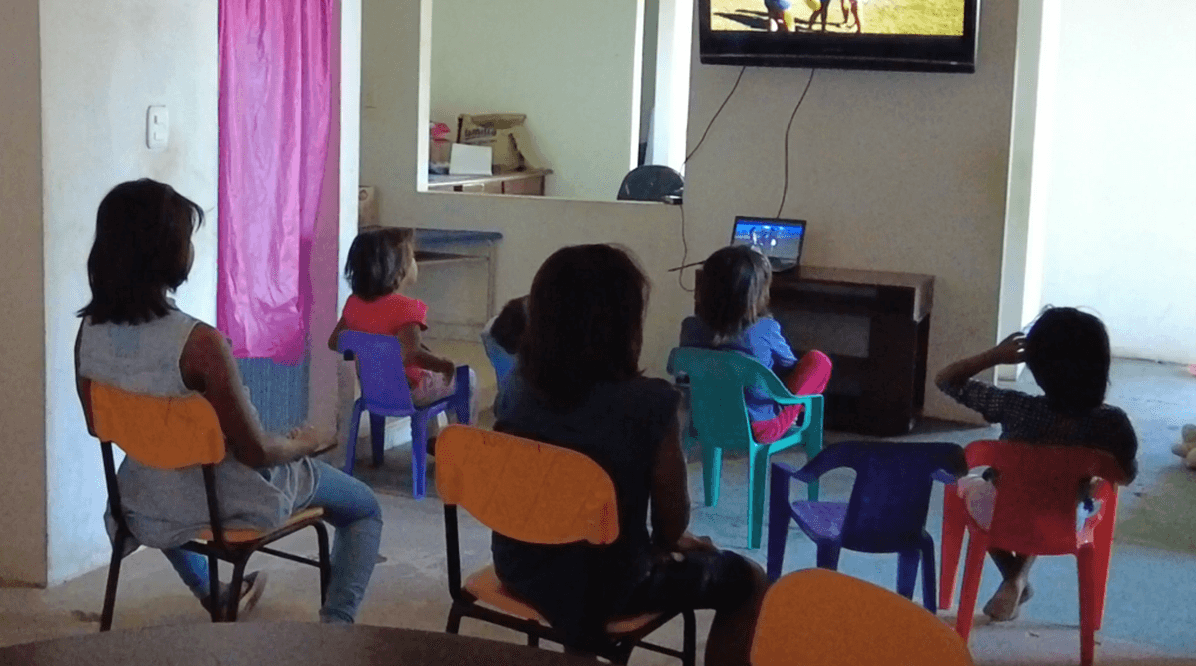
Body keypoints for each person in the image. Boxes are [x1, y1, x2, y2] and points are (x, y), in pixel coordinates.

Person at [75, 179, 381, 624]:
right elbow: (256, 454)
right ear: (166, 252)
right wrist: (306, 443)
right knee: (363, 509)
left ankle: (215, 593)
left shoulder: (88, 335)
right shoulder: (199, 343)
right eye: (187, 237)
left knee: (160, 489)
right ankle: (336, 624)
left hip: (142, 499)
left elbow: (96, 425)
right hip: (226, 501)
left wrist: (164, 441)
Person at [493, 244, 769, 665]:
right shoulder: (650, 405)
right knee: (749, 579)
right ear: (625, 322)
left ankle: (578, 646)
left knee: (581, 558)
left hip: (520, 564)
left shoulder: (515, 390)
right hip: (613, 587)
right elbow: (671, 523)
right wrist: (672, 543)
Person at [935, 307, 1138, 622]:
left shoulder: (1014, 406)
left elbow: (946, 380)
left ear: (1036, 365)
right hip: (1068, 518)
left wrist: (994, 355)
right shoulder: (1112, 423)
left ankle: (1013, 576)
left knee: (970, 488)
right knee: (1070, 492)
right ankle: (1017, 579)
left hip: (1005, 513)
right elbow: (1125, 475)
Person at [327, 227, 476, 442]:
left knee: (431, 378)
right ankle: (461, 442)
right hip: (409, 391)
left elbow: (336, 343)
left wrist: (366, 351)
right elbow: (412, 354)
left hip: (372, 391)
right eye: (412, 257)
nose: (415, 262)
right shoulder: (408, 309)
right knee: (466, 378)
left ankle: (430, 439)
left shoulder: (353, 305)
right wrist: (443, 364)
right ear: (398, 270)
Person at [679, 245, 831, 444]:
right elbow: (789, 366)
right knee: (818, 361)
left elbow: (682, 373)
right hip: (758, 427)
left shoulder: (690, 327)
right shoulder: (765, 328)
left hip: (704, 420)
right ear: (757, 292)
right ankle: (789, 414)